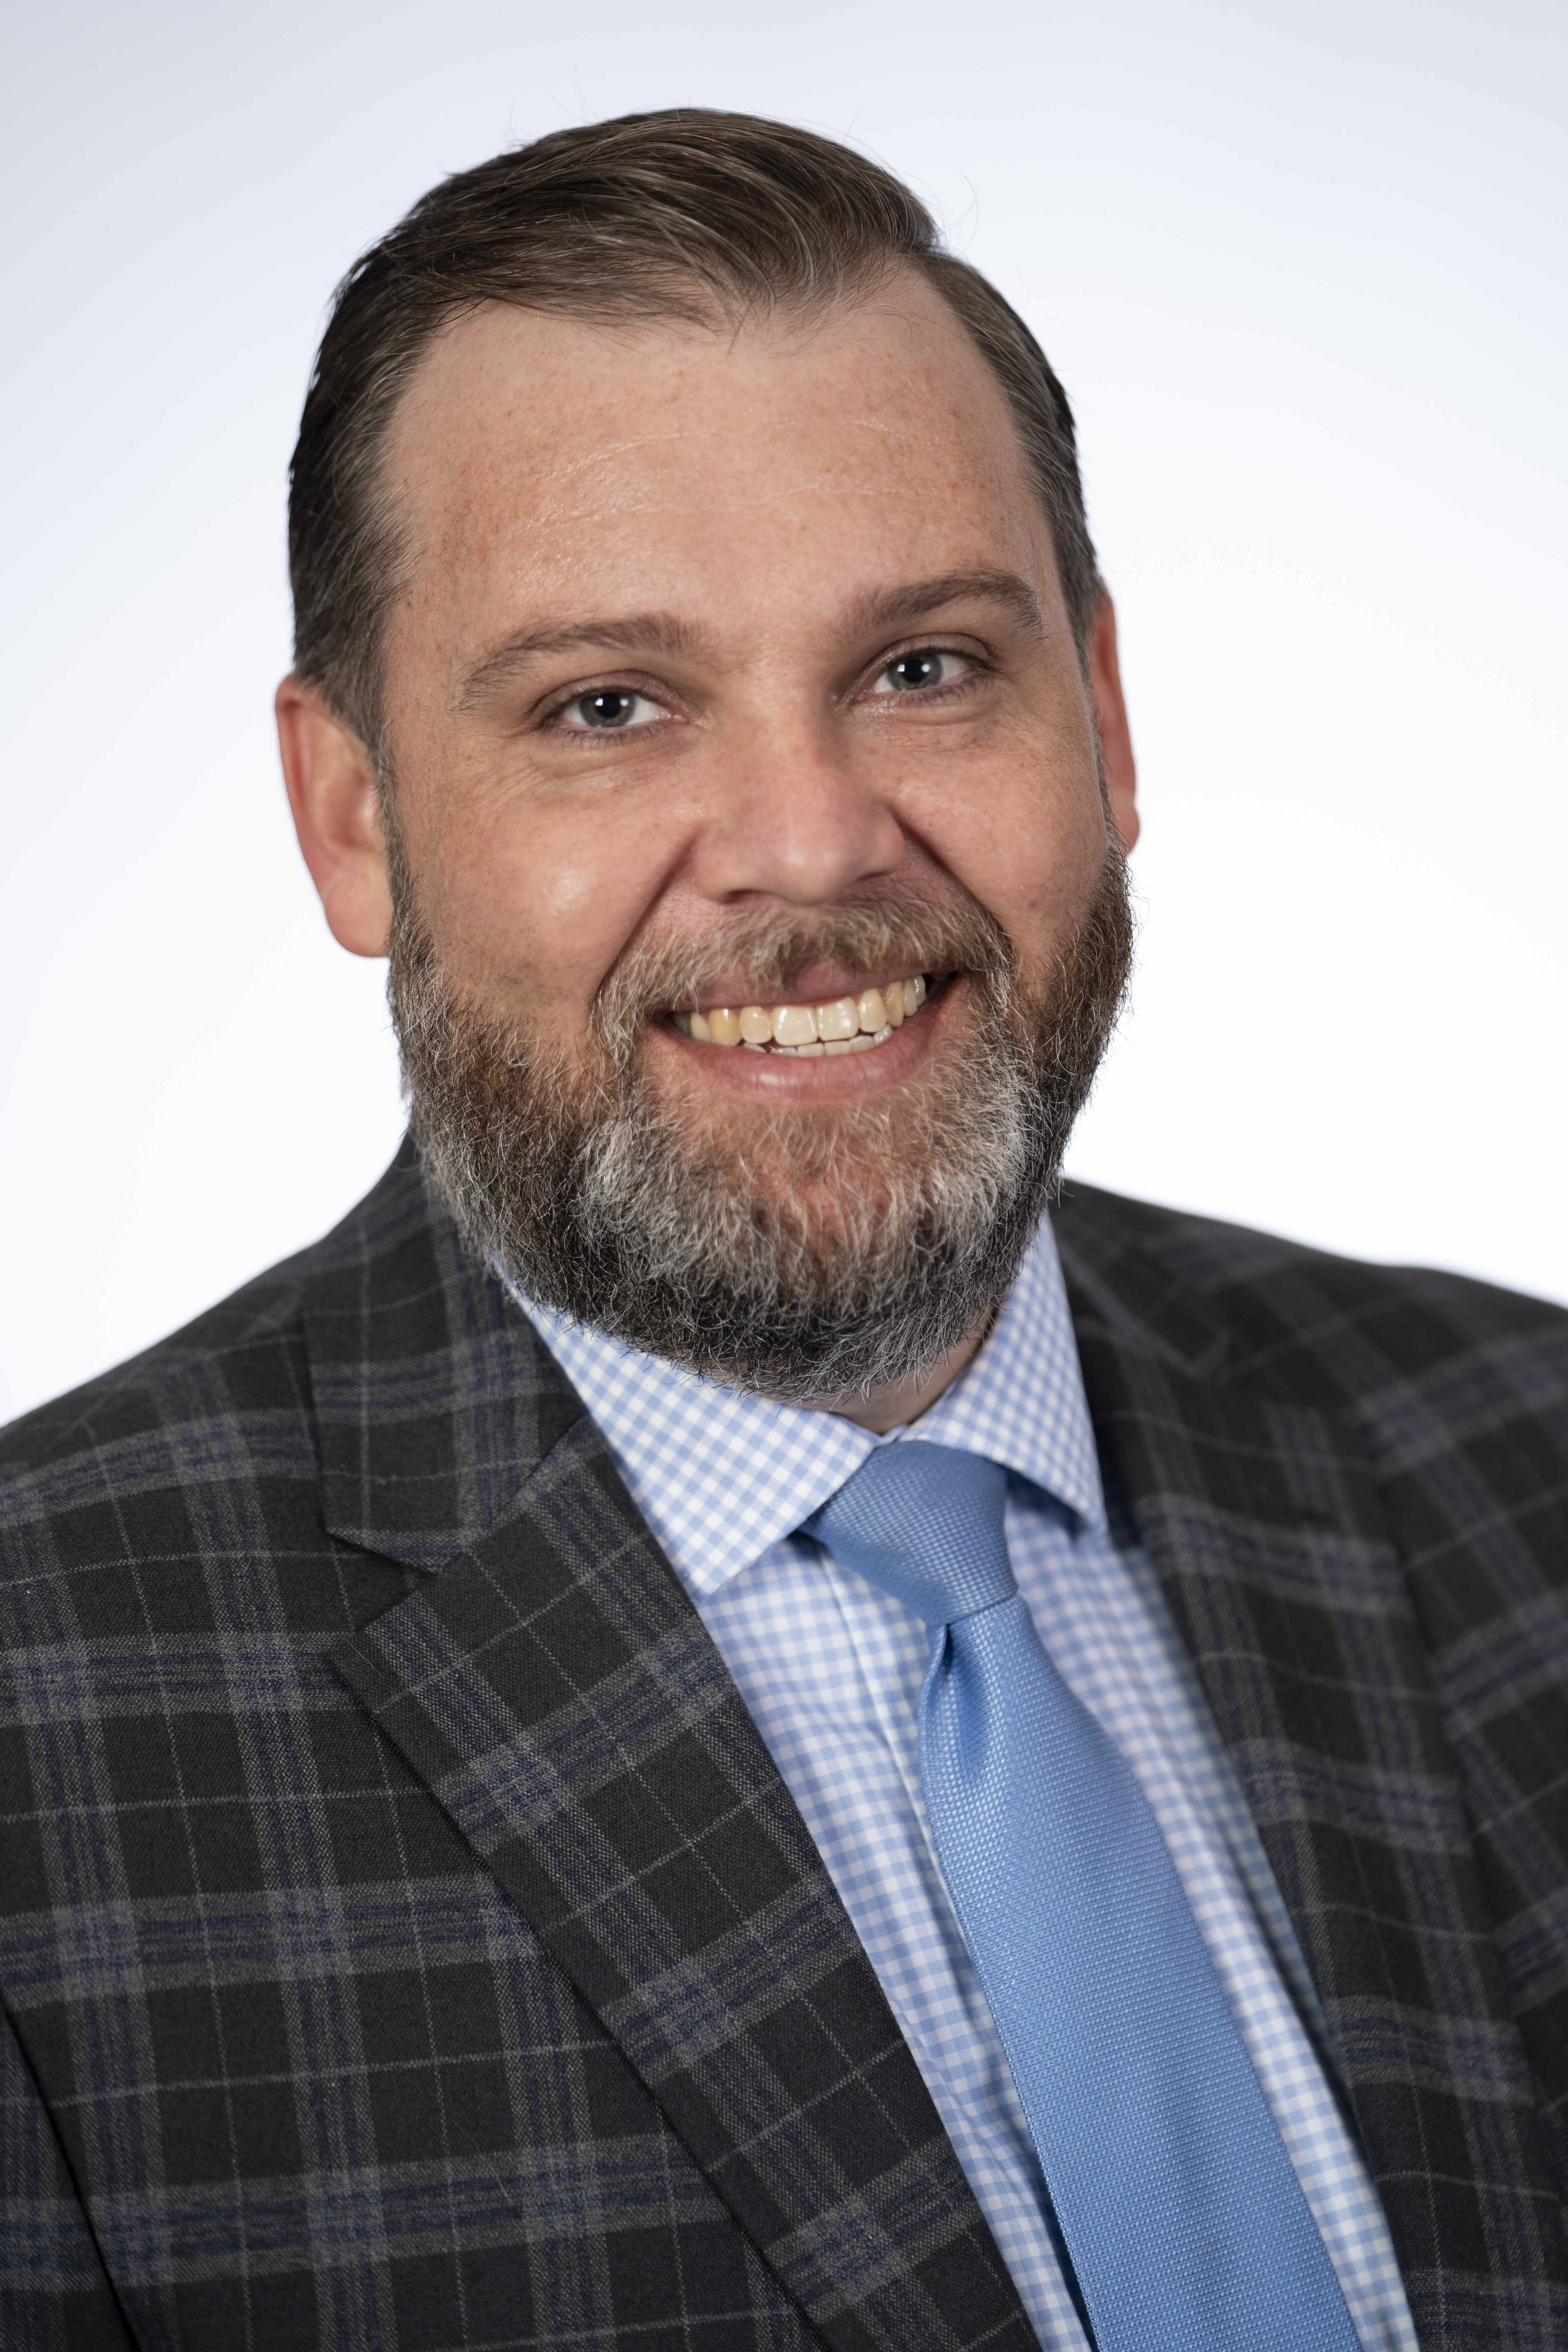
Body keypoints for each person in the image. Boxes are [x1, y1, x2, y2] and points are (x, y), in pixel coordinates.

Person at [1, 109, 1564, 2352]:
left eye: (925, 666)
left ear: (1104, 717)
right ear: (352, 822)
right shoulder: (42, 1735)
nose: (812, 847)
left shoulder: (1526, 1455)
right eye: (608, 706)